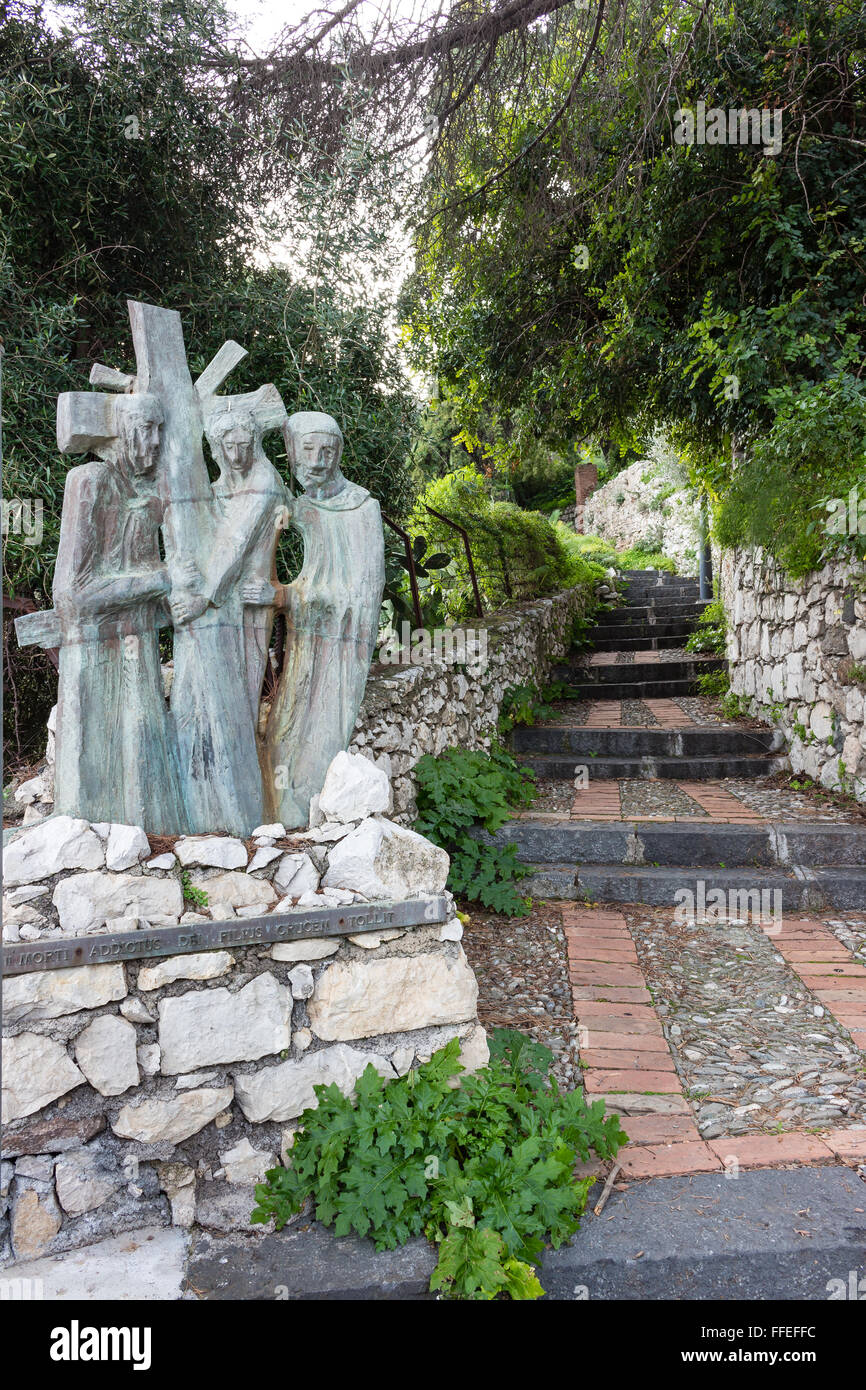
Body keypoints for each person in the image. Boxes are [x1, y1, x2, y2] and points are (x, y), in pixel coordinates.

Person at [52, 393, 188, 832]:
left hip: (138, 644)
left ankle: (147, 840)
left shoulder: (154, 494)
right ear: (122, 432)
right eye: (147, 429)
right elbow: (74, 594)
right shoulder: (90, 482)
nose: (156, 442)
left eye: (161, 430)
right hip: (94, 651)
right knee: (94, 764)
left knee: (142, 758)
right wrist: (158, 580)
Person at [245, 411, 385, 828]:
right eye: (307, 450)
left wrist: (286, 596)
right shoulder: (298, 507)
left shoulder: (362, 507)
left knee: (313, 737)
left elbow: (361, 594)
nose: (318, 460)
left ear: (338, 454)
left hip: (337, 651)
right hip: (303, 646)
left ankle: (303, 816)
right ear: (292, 454)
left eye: (327, 450)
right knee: (282, 734)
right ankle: (284, 814)